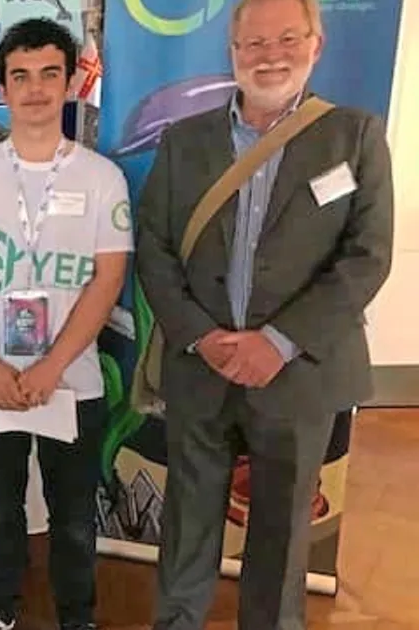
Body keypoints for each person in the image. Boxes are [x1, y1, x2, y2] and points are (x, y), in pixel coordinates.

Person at [134, 0, 394, 628]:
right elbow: (155, 246)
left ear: (317, 43)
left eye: (286, 38)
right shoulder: (184, 140)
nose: (270, 54)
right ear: (232, 51)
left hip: (298, 373)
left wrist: (276, 342)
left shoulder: (354, 135)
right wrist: (200, 335)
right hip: (202, 370)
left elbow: (368, 256)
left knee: (280, 539)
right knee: (187, 525)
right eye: (253, 42)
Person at [0, 18, 131, 630]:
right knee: (0, 506)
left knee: (73, 515)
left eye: (50, 73)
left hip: (72, 382)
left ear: (72, 81)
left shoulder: (102, 179)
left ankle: (77, 617)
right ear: (3, 86)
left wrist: (49, 367)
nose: (36, 89)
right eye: (21, 76)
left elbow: (107, 280)